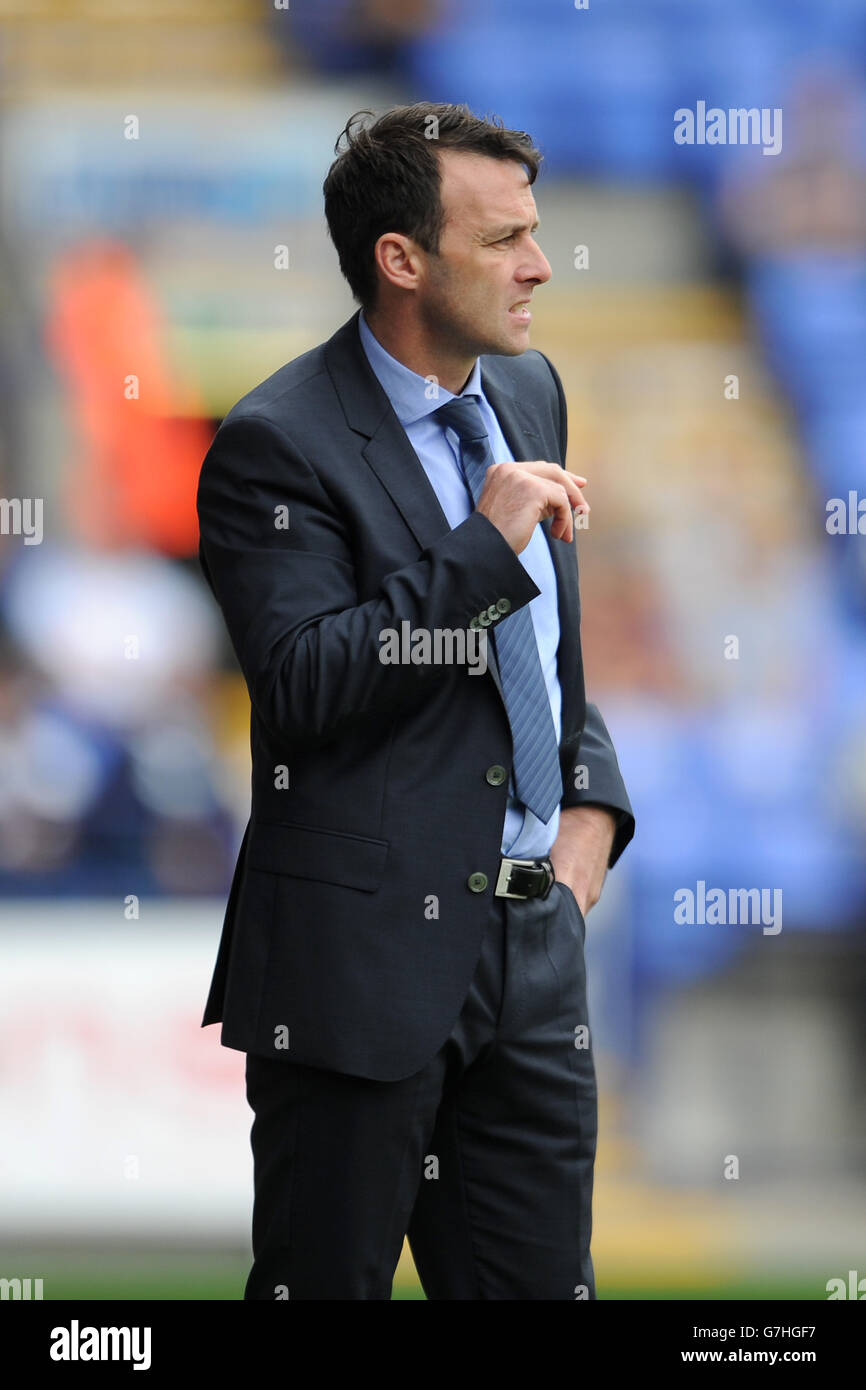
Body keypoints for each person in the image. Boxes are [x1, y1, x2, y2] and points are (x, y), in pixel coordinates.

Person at [196, 102, 635, 1300]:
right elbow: (301, 686)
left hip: (535, 953)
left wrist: (590, 799)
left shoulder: (530, 389)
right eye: (502, 240)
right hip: (357, 965)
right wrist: (477, 554)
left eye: (533, 232)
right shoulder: (273, 444)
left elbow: (542, 654)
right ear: (400, 260)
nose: (538, 264)